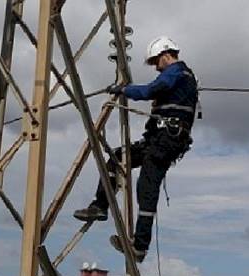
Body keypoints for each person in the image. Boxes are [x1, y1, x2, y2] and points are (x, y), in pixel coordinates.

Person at [73, 36, 199, 262]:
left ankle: (139, 245)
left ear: (166, 55)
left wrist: (123, 90)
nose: (155, 67)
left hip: (166, 140)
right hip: (157, 139)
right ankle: (100, 206)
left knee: (147, 186)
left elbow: (150, 90)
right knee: (117, 158)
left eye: (155, 61)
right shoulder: (182, 78)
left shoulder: (176, 73)